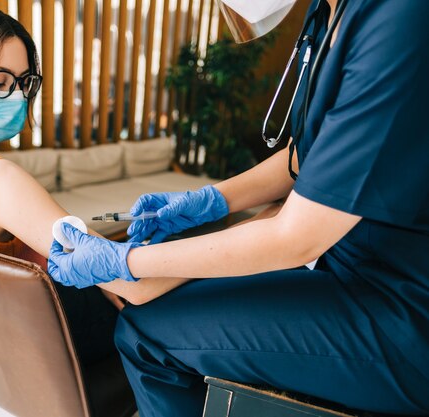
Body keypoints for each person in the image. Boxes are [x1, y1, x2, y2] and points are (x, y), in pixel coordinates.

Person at [48, 0, 429, 415]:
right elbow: (307, 153)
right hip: (350, 268)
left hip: (404, 308)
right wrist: (213, 200)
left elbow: (296, 236)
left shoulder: (402, 18)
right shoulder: (328, 12)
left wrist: (131, 259)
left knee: (146, 335)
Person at [0, 0, 188, 369]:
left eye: (23, 82)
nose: (16, 96)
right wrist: (246, 241)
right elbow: (138, 288)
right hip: (58, 344)